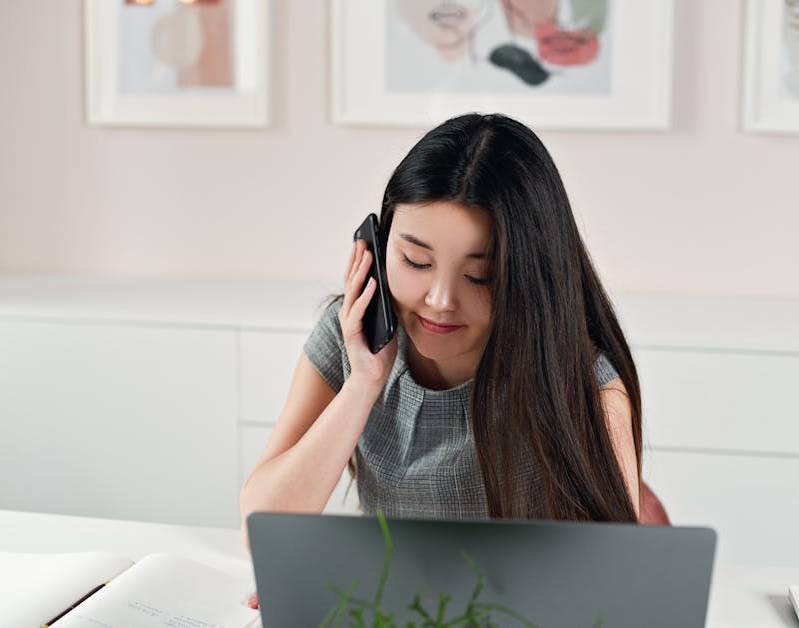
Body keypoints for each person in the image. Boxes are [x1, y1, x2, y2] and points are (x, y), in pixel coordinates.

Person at [240, 112, 642, 536]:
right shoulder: (352, 334)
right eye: (416, 261)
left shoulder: (584, 382)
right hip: (389, 598)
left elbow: (606, 578)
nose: (440, 300)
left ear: (531, 277)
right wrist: (363, 383)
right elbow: (258, 529)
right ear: (377, 246)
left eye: (480, 275)